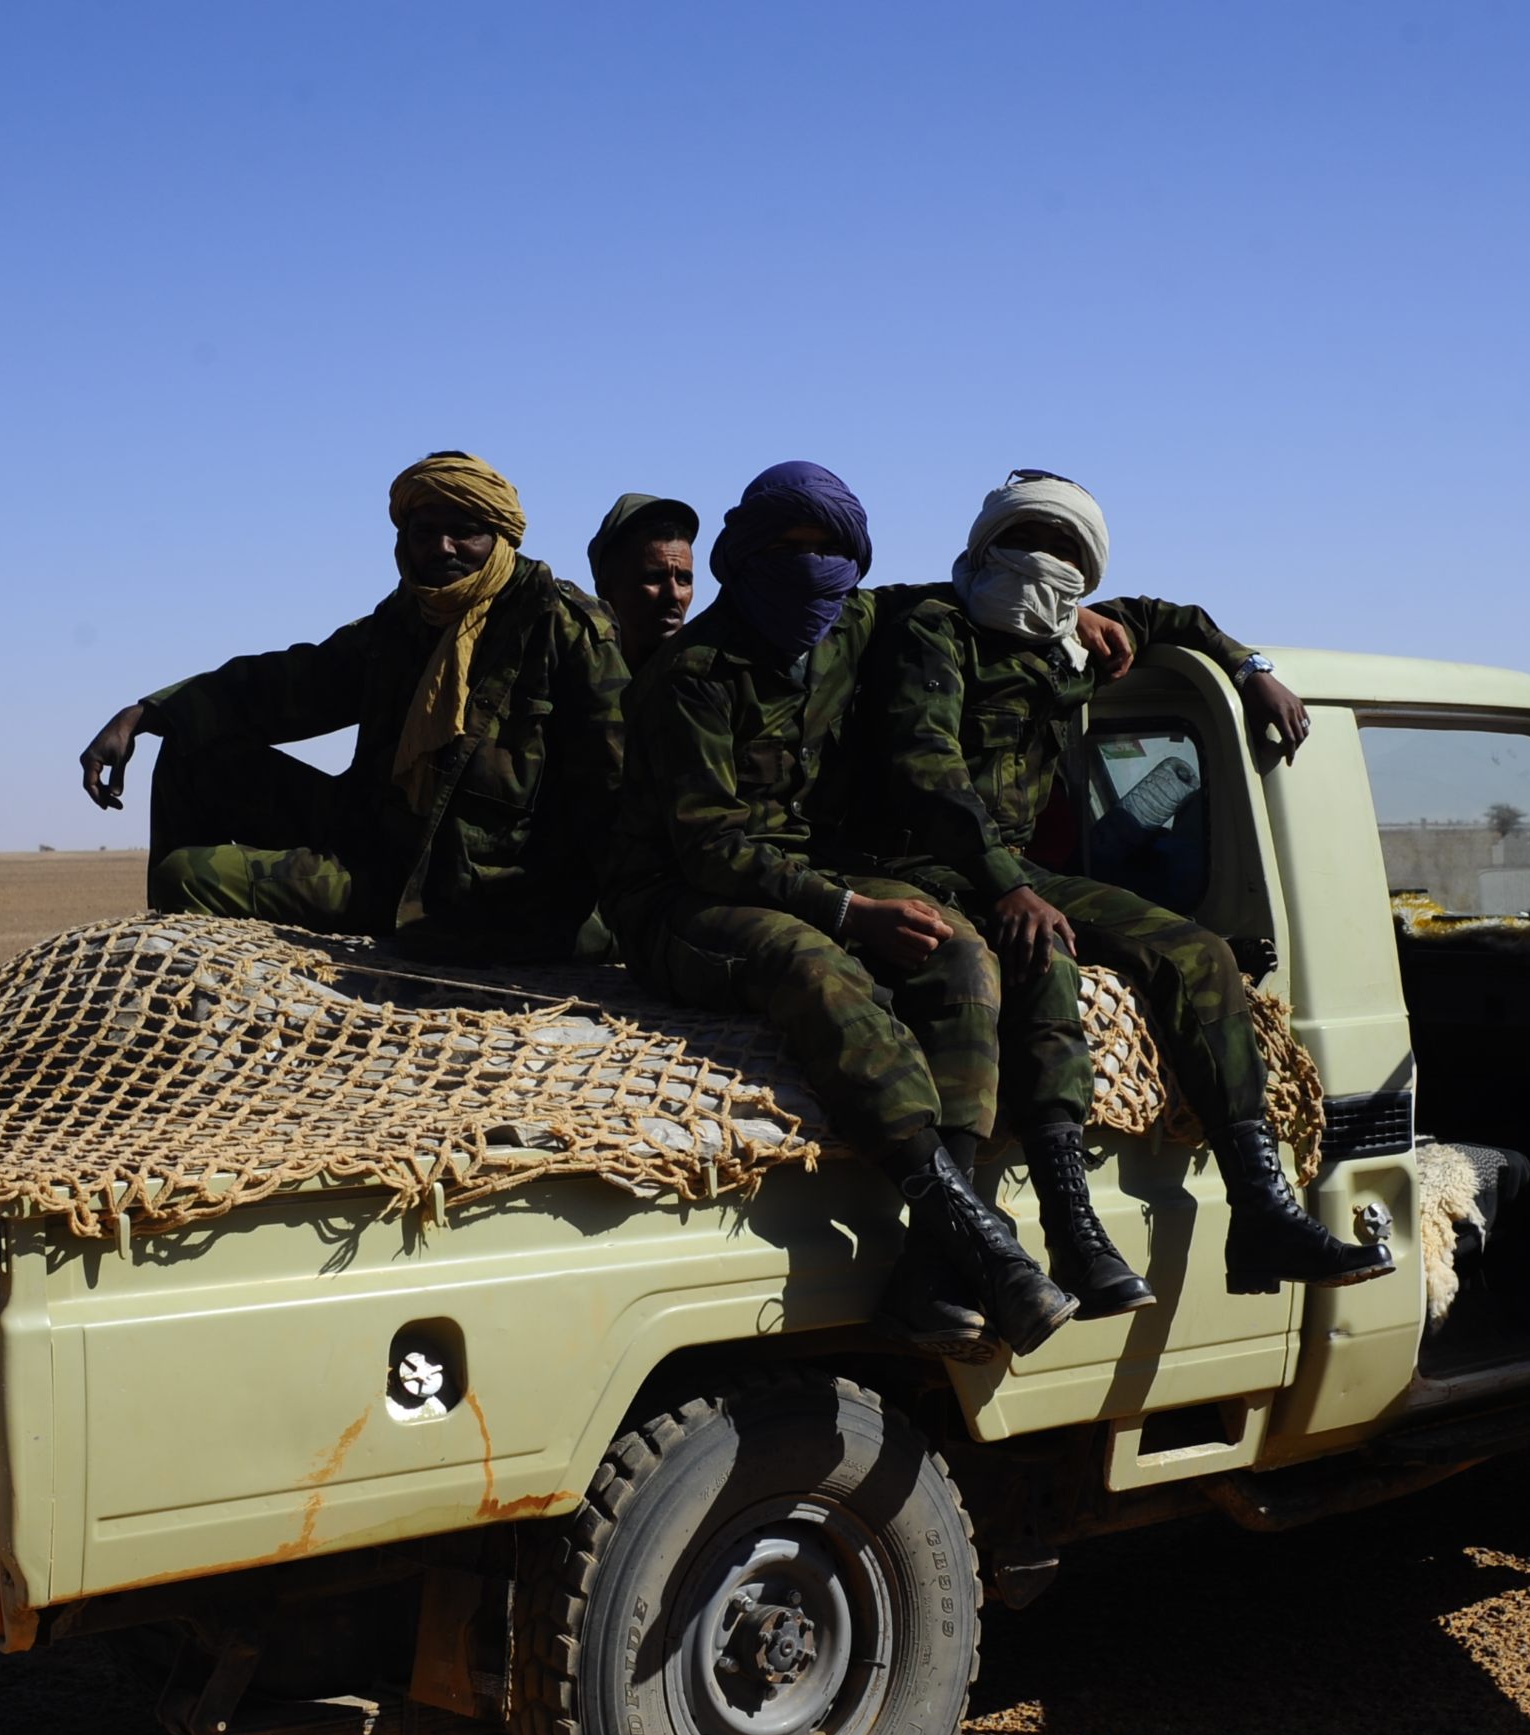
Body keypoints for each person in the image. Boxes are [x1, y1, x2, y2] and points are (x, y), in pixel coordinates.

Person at [835, 470, 1392, 1313]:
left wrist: (1251, 668)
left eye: (1064, 550)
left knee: (1199, 954)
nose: (1042, 561)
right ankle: (1069, 1223)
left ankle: (1263, 1209)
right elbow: (927, 771)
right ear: (985, 548)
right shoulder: (933, 627)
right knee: (1037, 952)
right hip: (920, 862)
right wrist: (1008, 889)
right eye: (1024, 541)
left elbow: (1177, 618)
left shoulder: (1074, 636)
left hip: (1017, 869)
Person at [601, 461, 1077, 1362]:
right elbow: (711, 847)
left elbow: (985, 594)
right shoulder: (690, 674)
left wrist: (1090, 618)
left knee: (962, 953)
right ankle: (973, 1233)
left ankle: (937, 1262)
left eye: (829, 550)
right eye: (789, 549)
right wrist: (849, 911)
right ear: (745, 556)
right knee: (815, 967)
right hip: (677, 898)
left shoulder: (851, 622)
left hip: (812, 870)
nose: (812, 568)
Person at [73, 451, 624, 964]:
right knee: (192, 753)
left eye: (466, 532)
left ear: (501, 537)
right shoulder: (404, 620)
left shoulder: (563, 628)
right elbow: (293, 682)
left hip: (462, 891)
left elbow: (617, 786)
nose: (443, 548)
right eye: (425, 532)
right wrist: (144, 715)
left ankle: (184, 996)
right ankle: (184, 986)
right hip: (373, 840)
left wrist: (620, 928)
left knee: (185, 876)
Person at [586, 493, 699, 666]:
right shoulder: (577, 675)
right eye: (654, 578)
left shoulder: (713, 678)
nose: (674, 594)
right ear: (607, 590)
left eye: (683, 579)